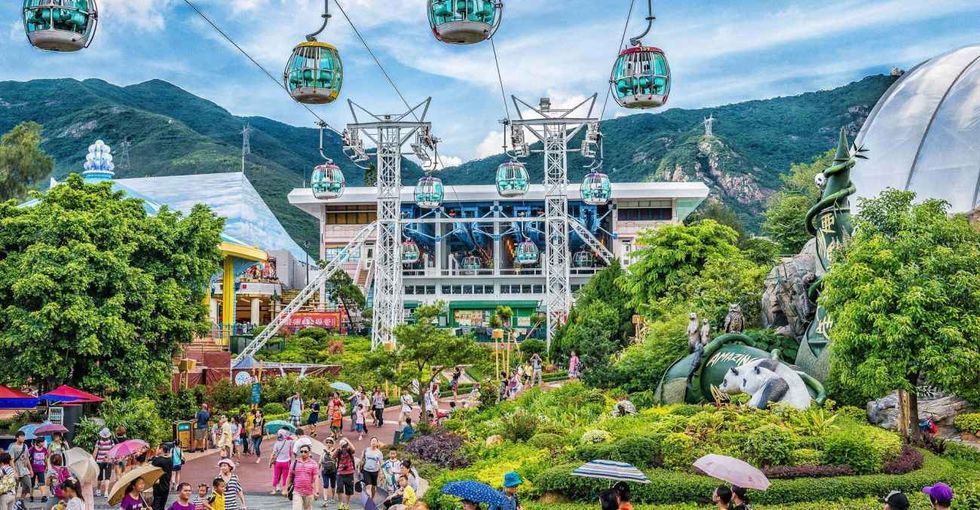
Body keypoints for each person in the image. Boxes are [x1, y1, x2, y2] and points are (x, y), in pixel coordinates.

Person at [289, 445, 321, 510]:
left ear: (309, 452)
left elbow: (316, 478)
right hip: (297, 491)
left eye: (305, 451)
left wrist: (317, 491)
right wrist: (285, 489)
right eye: (301, 451)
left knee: (308, 508)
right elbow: (289, 476)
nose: (303, 453)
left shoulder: (313, 463)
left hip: (309, 492)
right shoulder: (295, 463)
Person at [7, 431, 32, 505]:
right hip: (16, 469)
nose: (23, 438)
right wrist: (14, 472)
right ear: (17, 438)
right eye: (21, 436)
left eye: (24, 436)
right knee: (15, 487)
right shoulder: (13, 447)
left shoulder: (25, 446)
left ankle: (21, 500)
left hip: (24, 470)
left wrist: (30, 469)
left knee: (28, 485)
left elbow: (27, 458)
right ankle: (14, 503)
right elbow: (11, 460)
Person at [332, 439, 356, 510]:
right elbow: (333, 456)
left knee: (349, 490)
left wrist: (347, 441)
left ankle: (347, 504)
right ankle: (340, 504)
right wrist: (338, 448)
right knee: (339, 489)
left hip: (349, 473)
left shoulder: (349, 450)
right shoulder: (339, 451)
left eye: (345, 445)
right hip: (340, 473)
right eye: (343, 446)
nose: (344, 447)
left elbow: (354, 449)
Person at [268, 430, 293, 496]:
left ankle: (274, 490)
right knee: (285, 477)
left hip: (278, 462)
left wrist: (270, 461)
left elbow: (273, 453)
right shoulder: (289, 442)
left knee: (276, 476)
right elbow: (292, 444)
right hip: (286, 462)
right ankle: (284, 490)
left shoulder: (276, 443)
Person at [149, 445, 174, 510]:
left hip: (159, 486)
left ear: (162, 449)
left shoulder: (159, 460)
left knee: (156, 504)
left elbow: (153, 463)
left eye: (158, 448)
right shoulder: (170, 460)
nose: (157, 450)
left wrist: (156, 455)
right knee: (163, 504)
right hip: (166, 485)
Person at [93, 428, 114, 497]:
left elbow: (95, 452)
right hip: (108, 461)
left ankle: (98, 491)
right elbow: (113, 451)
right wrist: (111, 458)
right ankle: (106, 492)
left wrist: (93, 460)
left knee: (99, 477)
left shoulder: (98, 441)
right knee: (107, 477)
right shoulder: (111, 442)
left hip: (99, 461)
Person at [319, 438, 338, 506]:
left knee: (333, 485)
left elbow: (337, 460)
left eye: (330, 442)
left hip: (333, 471)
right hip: (325, 470)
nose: (328, 444)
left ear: (332, 443)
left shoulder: (335, 450)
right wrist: (318, 470)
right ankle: (325, 500)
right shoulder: (323, 451)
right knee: (325, 485)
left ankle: (333, 497)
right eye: (327, 442)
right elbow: (320, 461)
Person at [30, 437, 48, 503]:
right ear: (38, 443)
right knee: (32, 483)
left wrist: (47, 466)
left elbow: (45, 458)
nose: (43, 443)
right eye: (42, 442)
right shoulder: (32, 449)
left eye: (43, 442)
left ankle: (43, 496)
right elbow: (28, 457)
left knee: (42, 483)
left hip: (41, 469)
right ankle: (31, 496)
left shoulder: (44, 449)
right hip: (33, 469)